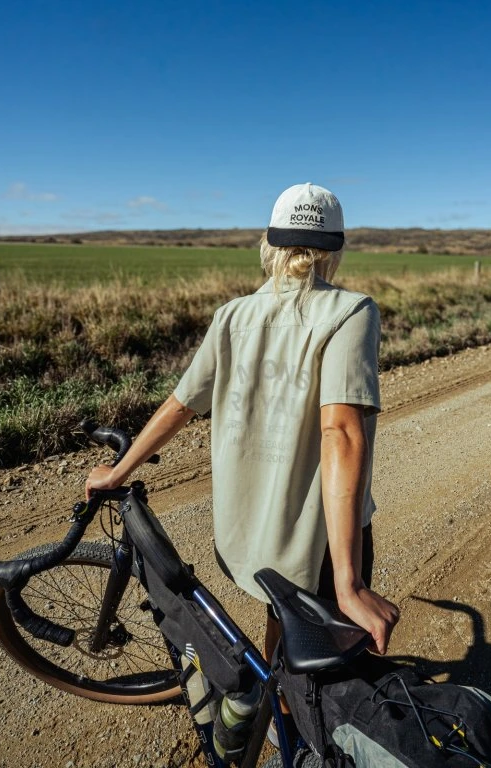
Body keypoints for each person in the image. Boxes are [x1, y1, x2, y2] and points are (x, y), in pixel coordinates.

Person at [85, 183, 399, 663]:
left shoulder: (232, 317)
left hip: (253, 527)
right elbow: (339, 432)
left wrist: (118, 472)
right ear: (335, 250)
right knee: (327, 653)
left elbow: (181, 405)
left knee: (283, 619)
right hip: (321, 537)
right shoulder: (351, 312)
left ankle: (278, 702)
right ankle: (292, 706)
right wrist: (350, 583)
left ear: (270, 244)